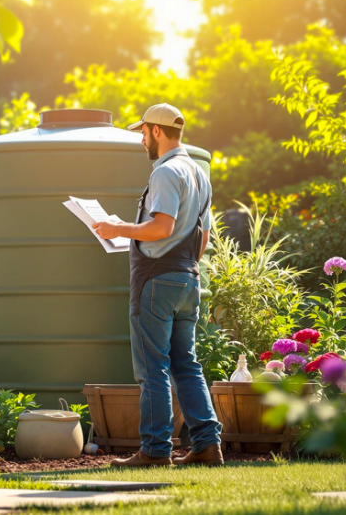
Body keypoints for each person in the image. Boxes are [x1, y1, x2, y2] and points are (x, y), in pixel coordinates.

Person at [91, 103, 223, 467]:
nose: (142, 140)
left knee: (153, 368)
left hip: (156, 280)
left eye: (144, 132)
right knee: (186, 365)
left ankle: (154, 451)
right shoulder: (198, 173)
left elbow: (161, 227)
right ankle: (208, 446)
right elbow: (204, 236)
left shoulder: (166, 172)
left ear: (157, 131)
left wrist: (117, 228)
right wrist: (182, 269)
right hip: (187, 279)